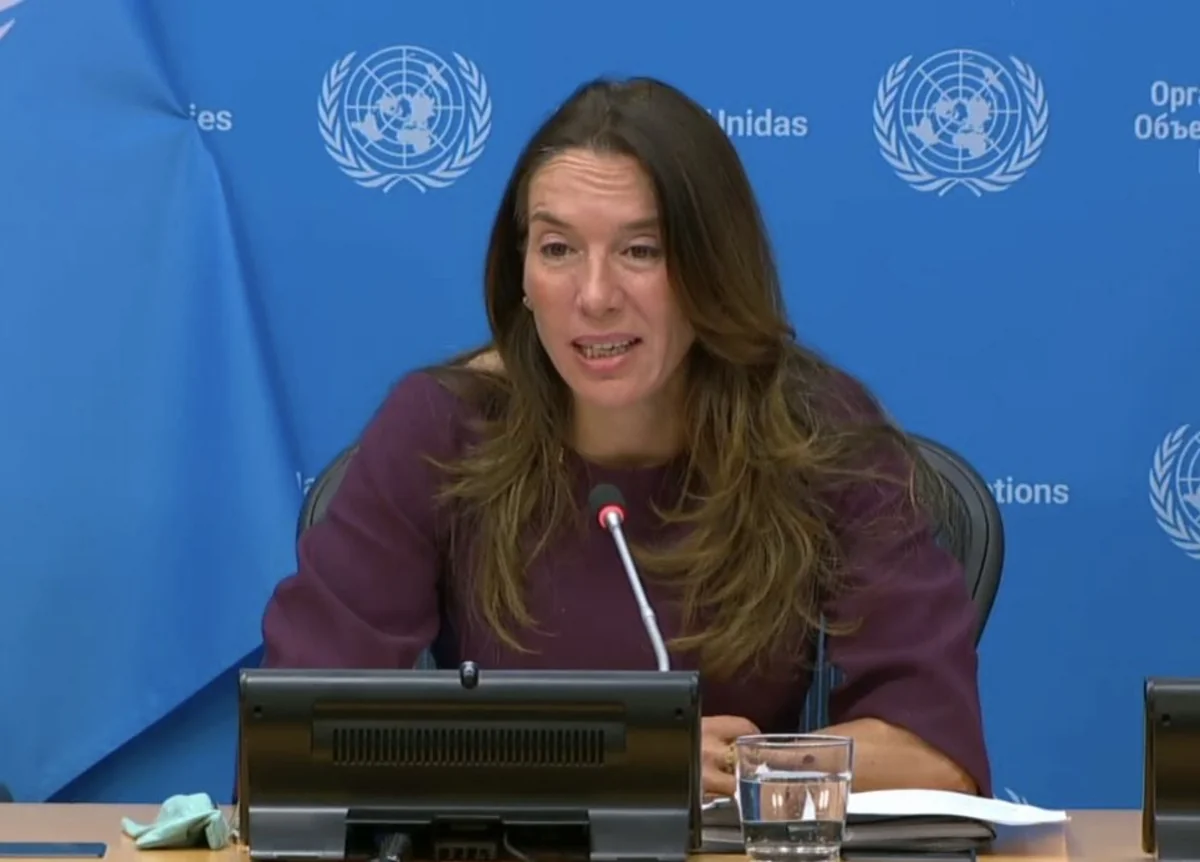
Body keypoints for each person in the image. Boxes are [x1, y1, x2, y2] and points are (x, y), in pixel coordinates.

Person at [260, 76, 992, 801]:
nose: (595, 297)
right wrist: (619, 756)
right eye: (557, 249)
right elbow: (295, 737)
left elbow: (936, 756)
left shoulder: (817, 431)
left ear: (712, 268)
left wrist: (745, 766)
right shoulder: (442, 428)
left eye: (640, 251)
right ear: (521, 275)